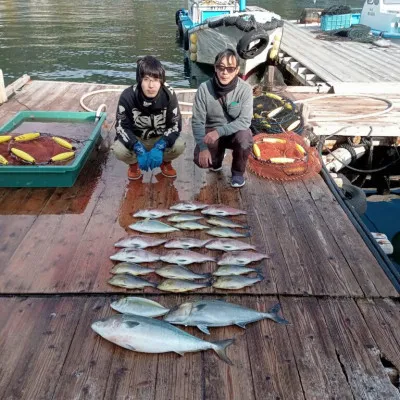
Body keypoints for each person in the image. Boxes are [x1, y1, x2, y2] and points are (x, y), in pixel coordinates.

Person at [112, 56, 185, 180]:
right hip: (137, 138)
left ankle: (165, 163)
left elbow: (175, 125)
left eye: (156, 79)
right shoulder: (127, 96)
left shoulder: (169, 94)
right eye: (146, 79)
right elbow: (121, 127)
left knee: (179, 145)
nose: (151, 85)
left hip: (160, 137)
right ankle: (134, 165)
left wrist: (162, 144)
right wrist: (136, 146)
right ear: (140, 80)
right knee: (118, 149)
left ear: (161, 81)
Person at [192, 49, 253, 188]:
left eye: (230, 69)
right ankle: (217, 159)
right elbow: (197, 121)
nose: (225, 72)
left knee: (245, 137)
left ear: (237, 70)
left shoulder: (245, 89)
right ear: (215, 68)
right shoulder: (204, 88)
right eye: (221, 67)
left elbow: (245, 121)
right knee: (200, 160)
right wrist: (202, 148)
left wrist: (219, 132)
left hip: (235, 132)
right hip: (212, 131)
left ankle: (238, 172)